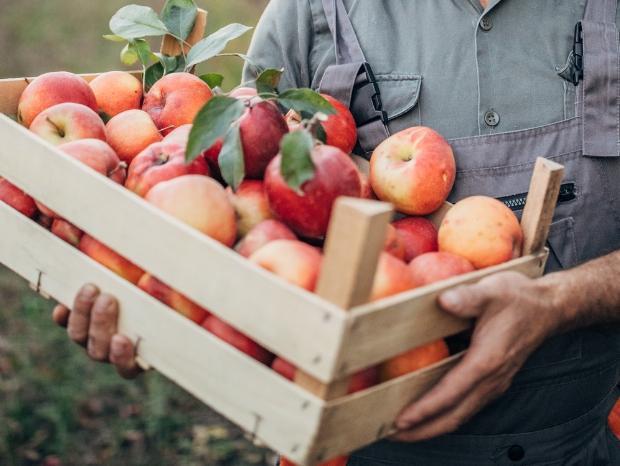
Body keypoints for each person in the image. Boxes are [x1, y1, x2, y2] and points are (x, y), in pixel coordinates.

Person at [53, 0, 620, 464]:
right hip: (356, 450)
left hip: (586, 440)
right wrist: (164, 317)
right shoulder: (311, 14)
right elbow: (242, 219)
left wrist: (561, 300)